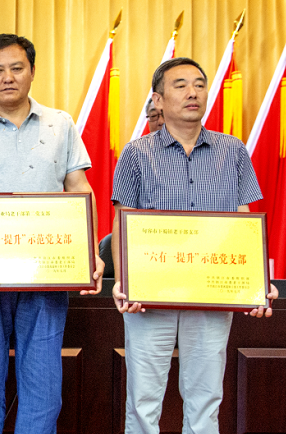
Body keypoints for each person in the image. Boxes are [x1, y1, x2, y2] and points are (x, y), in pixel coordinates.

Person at [0, 33, 104, 433]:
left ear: (32, 71)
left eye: (16, 68)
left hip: (48, 270)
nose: (7, 77)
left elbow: (79, 190)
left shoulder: (60, 124)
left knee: (43, 383)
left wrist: (88, 252)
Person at [111, 57, 278, 434]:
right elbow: (123, 222)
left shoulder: (233, 150)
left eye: (200, 85)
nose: (193, 92)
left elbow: (243, 220)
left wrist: (255, 284)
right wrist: (124, 283)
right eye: (181, 85)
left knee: (205, 399)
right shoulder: (136, 153)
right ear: (158, 99)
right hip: (150, 295)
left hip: (211, 293)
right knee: (143, 400)